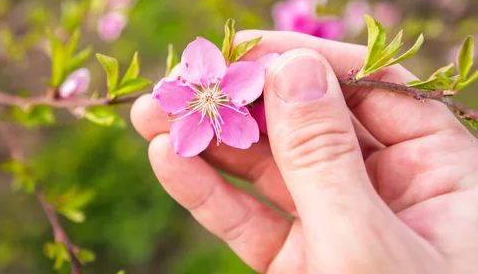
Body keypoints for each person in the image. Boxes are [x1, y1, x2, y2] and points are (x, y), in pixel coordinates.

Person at [130, 30, 478, 273]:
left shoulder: (243, 82)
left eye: (210, 95)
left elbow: (251, 78)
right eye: (203, 98)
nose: (208, 100)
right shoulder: (189, 117)